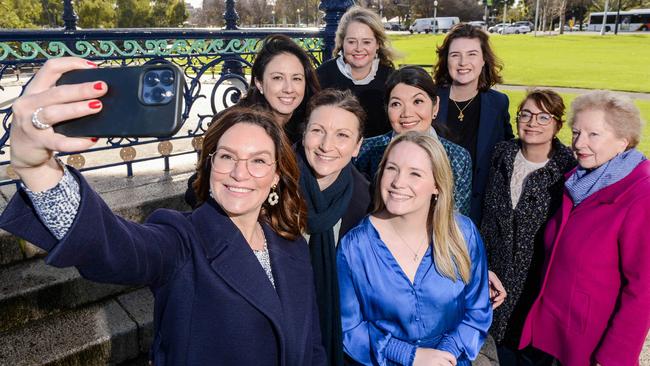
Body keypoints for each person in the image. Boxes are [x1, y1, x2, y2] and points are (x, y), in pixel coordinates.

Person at [0, 57, 326, 365]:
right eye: (226, 157)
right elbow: (112, 246)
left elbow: (311, 345)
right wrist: (38, 169)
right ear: (209, 166)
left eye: (257, 161)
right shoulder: (180, 240)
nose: (240, 173)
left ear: (275, 177)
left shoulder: (290, 243)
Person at [338, 131, 492, 366]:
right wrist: (410, 355)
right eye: (392, 169)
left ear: (437, 186)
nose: (398, 182)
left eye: (415, 174)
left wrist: (446, 353)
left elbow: (477, 310)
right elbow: (348, 327)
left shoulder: (463, 234)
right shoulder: (354, 247)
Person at [519, 90, 650, 366]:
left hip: (592, 348)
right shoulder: (580, 180)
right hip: (554, 337)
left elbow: (643, 289)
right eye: (576, 133)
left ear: (623, 141)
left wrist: (615, 358)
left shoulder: (640, 196)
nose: (579, 143)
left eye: (594, 135)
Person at [480, 89, 576, 364]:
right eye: (526, 114)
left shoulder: (567, 169)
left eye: (544, 116)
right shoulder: (501, 155)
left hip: (537, 289)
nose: (533, 122)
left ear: (558, 124)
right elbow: (487, 219)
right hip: (493, 282)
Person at [185, 33, 321, 208]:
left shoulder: (309, 126)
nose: (289, 88)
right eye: (277, 78)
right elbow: (197, 187)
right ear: (259, 83)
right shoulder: (233, 124)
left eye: (296, 78)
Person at [297, 89, 372, 366]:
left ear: (357, 146)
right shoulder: (271, 181)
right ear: (304, 134)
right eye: (318, 131)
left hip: (337, 335)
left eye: (342, 135)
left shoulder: (368, 202)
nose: (327, 145)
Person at [353, 66, 473, 216]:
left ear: (435, 107)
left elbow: (459, 220)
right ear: (386, 108)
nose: (407, 113)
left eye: (417, 101)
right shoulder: (366, 151)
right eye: (396, 104)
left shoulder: (458, 157)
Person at [433, 23, 514, 225]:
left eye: (471, 54)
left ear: (483, 59)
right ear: (446, 59)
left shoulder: (498, 103)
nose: (463, 62)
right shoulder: (430, 99)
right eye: (455, 55)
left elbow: (509, 148)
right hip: (433, 206)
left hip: (479, 212)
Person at [316, 6, 397, 138]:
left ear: (377, 44)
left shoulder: (390, 77)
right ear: (342, 42)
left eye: (366, 42)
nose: (359, 48)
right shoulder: (321, 76)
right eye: (352, 42)